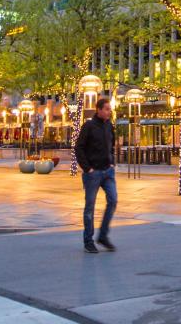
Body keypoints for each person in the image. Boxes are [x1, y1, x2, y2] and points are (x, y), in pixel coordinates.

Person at [75, 97, 117, 253]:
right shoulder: (89, 126)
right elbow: (78, 148)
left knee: (113, 200)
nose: (109, 111)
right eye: (106, 109)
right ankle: (88, 240)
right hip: (93, 173)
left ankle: (103, 236)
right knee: (90, 207)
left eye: (109, 108)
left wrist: (112, 162)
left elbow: (112, 145)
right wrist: (87, 168)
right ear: (98, 110)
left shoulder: (109, 126)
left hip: (108, 172)